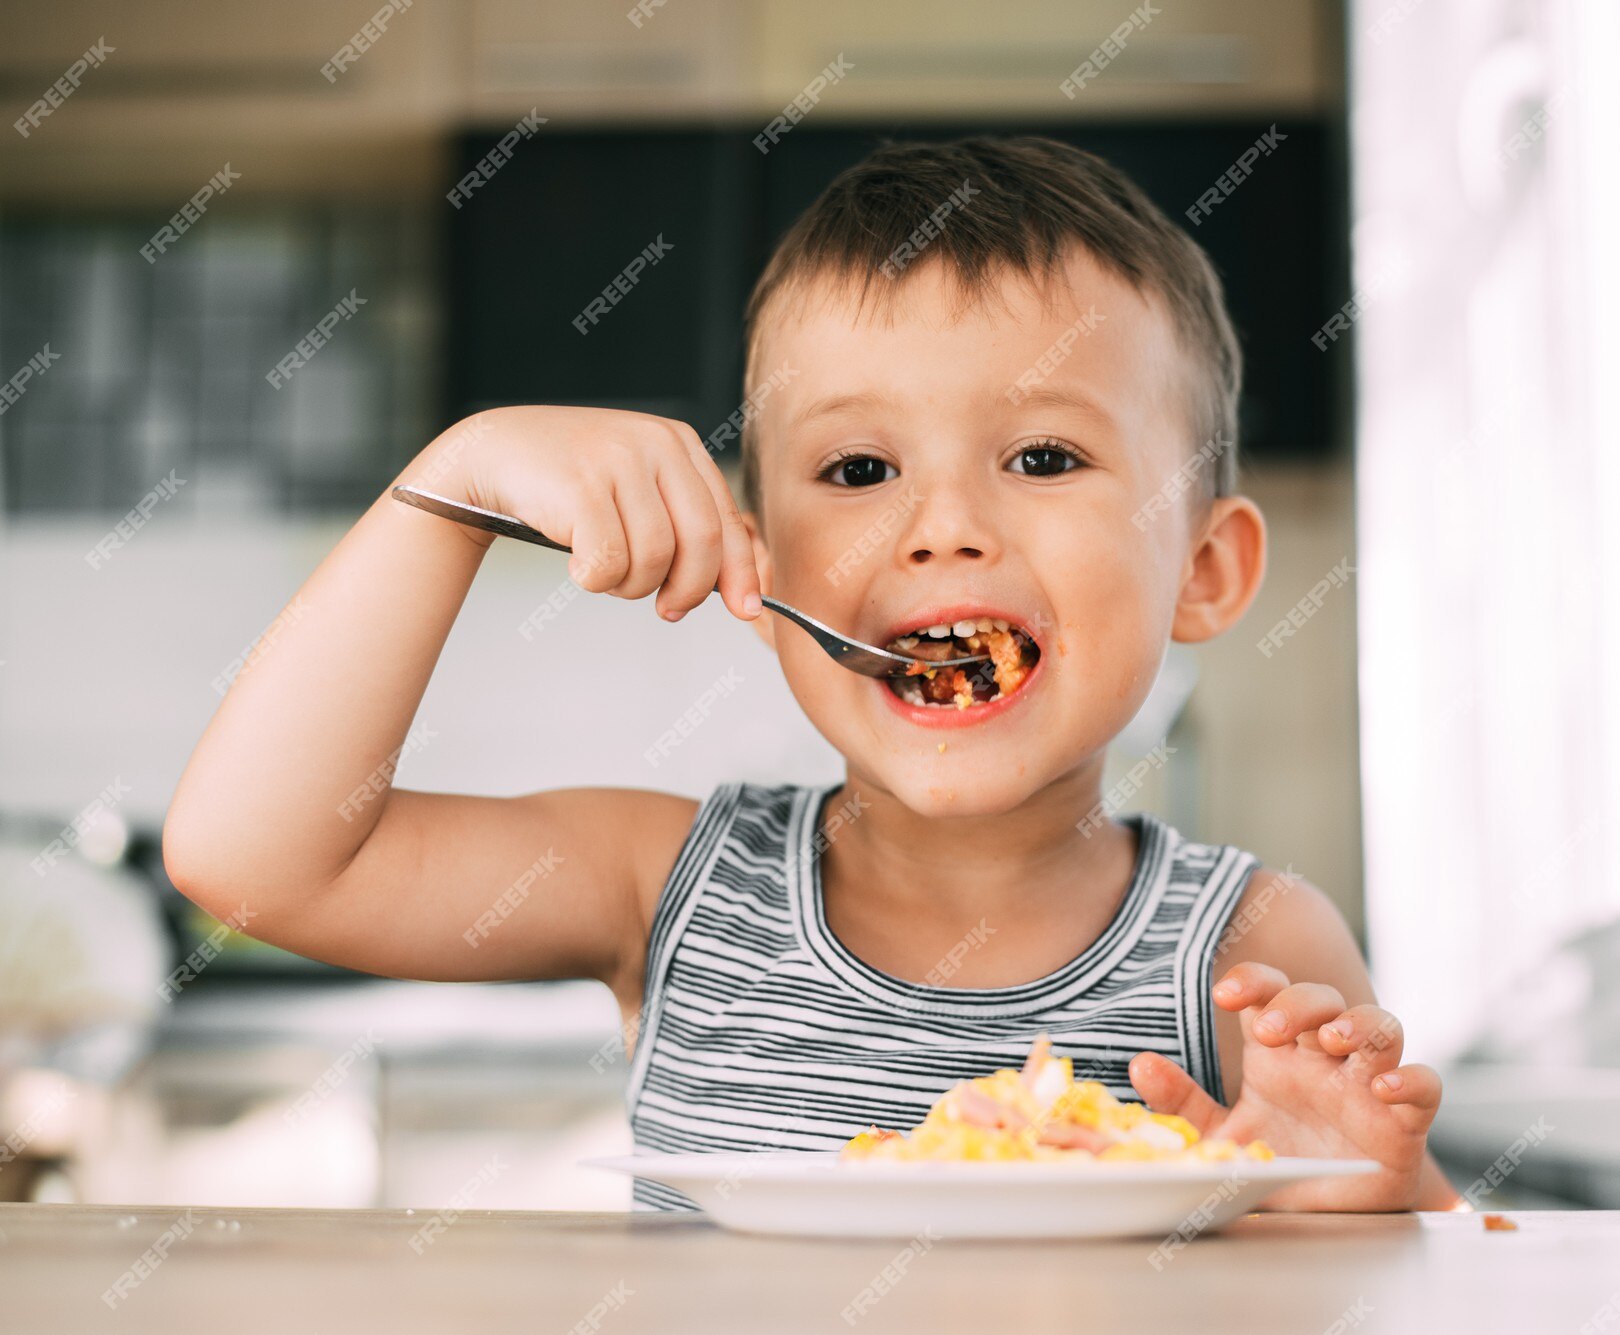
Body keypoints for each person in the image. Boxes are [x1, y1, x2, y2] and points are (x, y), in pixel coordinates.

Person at [166, 136, 1459, 1212]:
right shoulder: (664, 888)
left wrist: (1358, 1195)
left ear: (1207, 571)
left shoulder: (1248, 952)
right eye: (857, 471)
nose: (942, 526)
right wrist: (449, 488)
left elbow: (1414, 1276)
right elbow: (257, 859)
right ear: (760, 561)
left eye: (1045, 458)